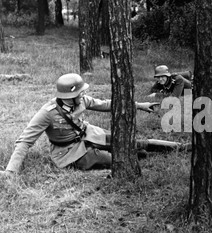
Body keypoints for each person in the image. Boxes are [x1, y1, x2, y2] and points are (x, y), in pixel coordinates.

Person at [0, 73, 191, 176]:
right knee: (116, 160)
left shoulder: (81, 100)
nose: (84, 95)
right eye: (80, 93)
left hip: (89, 134)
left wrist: (140, 105)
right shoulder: (47, 113)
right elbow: (24, 141)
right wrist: (10, 172)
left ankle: (182, 148)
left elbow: (108, 104)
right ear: (70, 96)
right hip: (70, 152)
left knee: (133, 144)